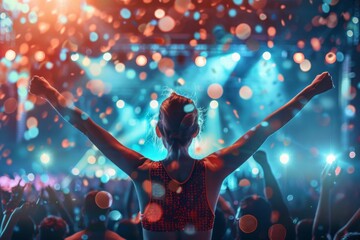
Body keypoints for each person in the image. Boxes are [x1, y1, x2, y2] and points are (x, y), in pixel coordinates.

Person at [29, 72, 334, 240]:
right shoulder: (213, 169)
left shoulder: (142, 171)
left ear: (158, 131)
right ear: (196, 130)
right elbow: (264, 129)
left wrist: (50, 93)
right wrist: (309, 91)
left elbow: (86, 126)